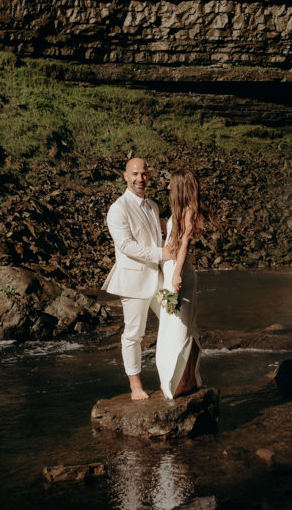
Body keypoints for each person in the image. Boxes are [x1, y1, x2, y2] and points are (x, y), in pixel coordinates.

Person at [103, 157, 174, 401]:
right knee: (134, 334)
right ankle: (135, 386)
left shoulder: (153, 206)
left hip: (158, 279)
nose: (139, 178)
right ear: (125, 176)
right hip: (133, 281)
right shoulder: (118, 209)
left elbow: (159, 238)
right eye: (134, 174)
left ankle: (173, 378)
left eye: (143, 174)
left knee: (174, 323)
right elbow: (126, 246)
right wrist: (161, 253)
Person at [156, 169, 207, 399]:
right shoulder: (182, 212)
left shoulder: (188, 211)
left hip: (179, 273)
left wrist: (176, 274)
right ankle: (186, 379)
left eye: (170, 185)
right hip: (174, 271)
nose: (167, 188)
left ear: (179, 187)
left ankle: (175, 383)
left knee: (176, 327)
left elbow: (184, 243)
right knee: (176, 325)